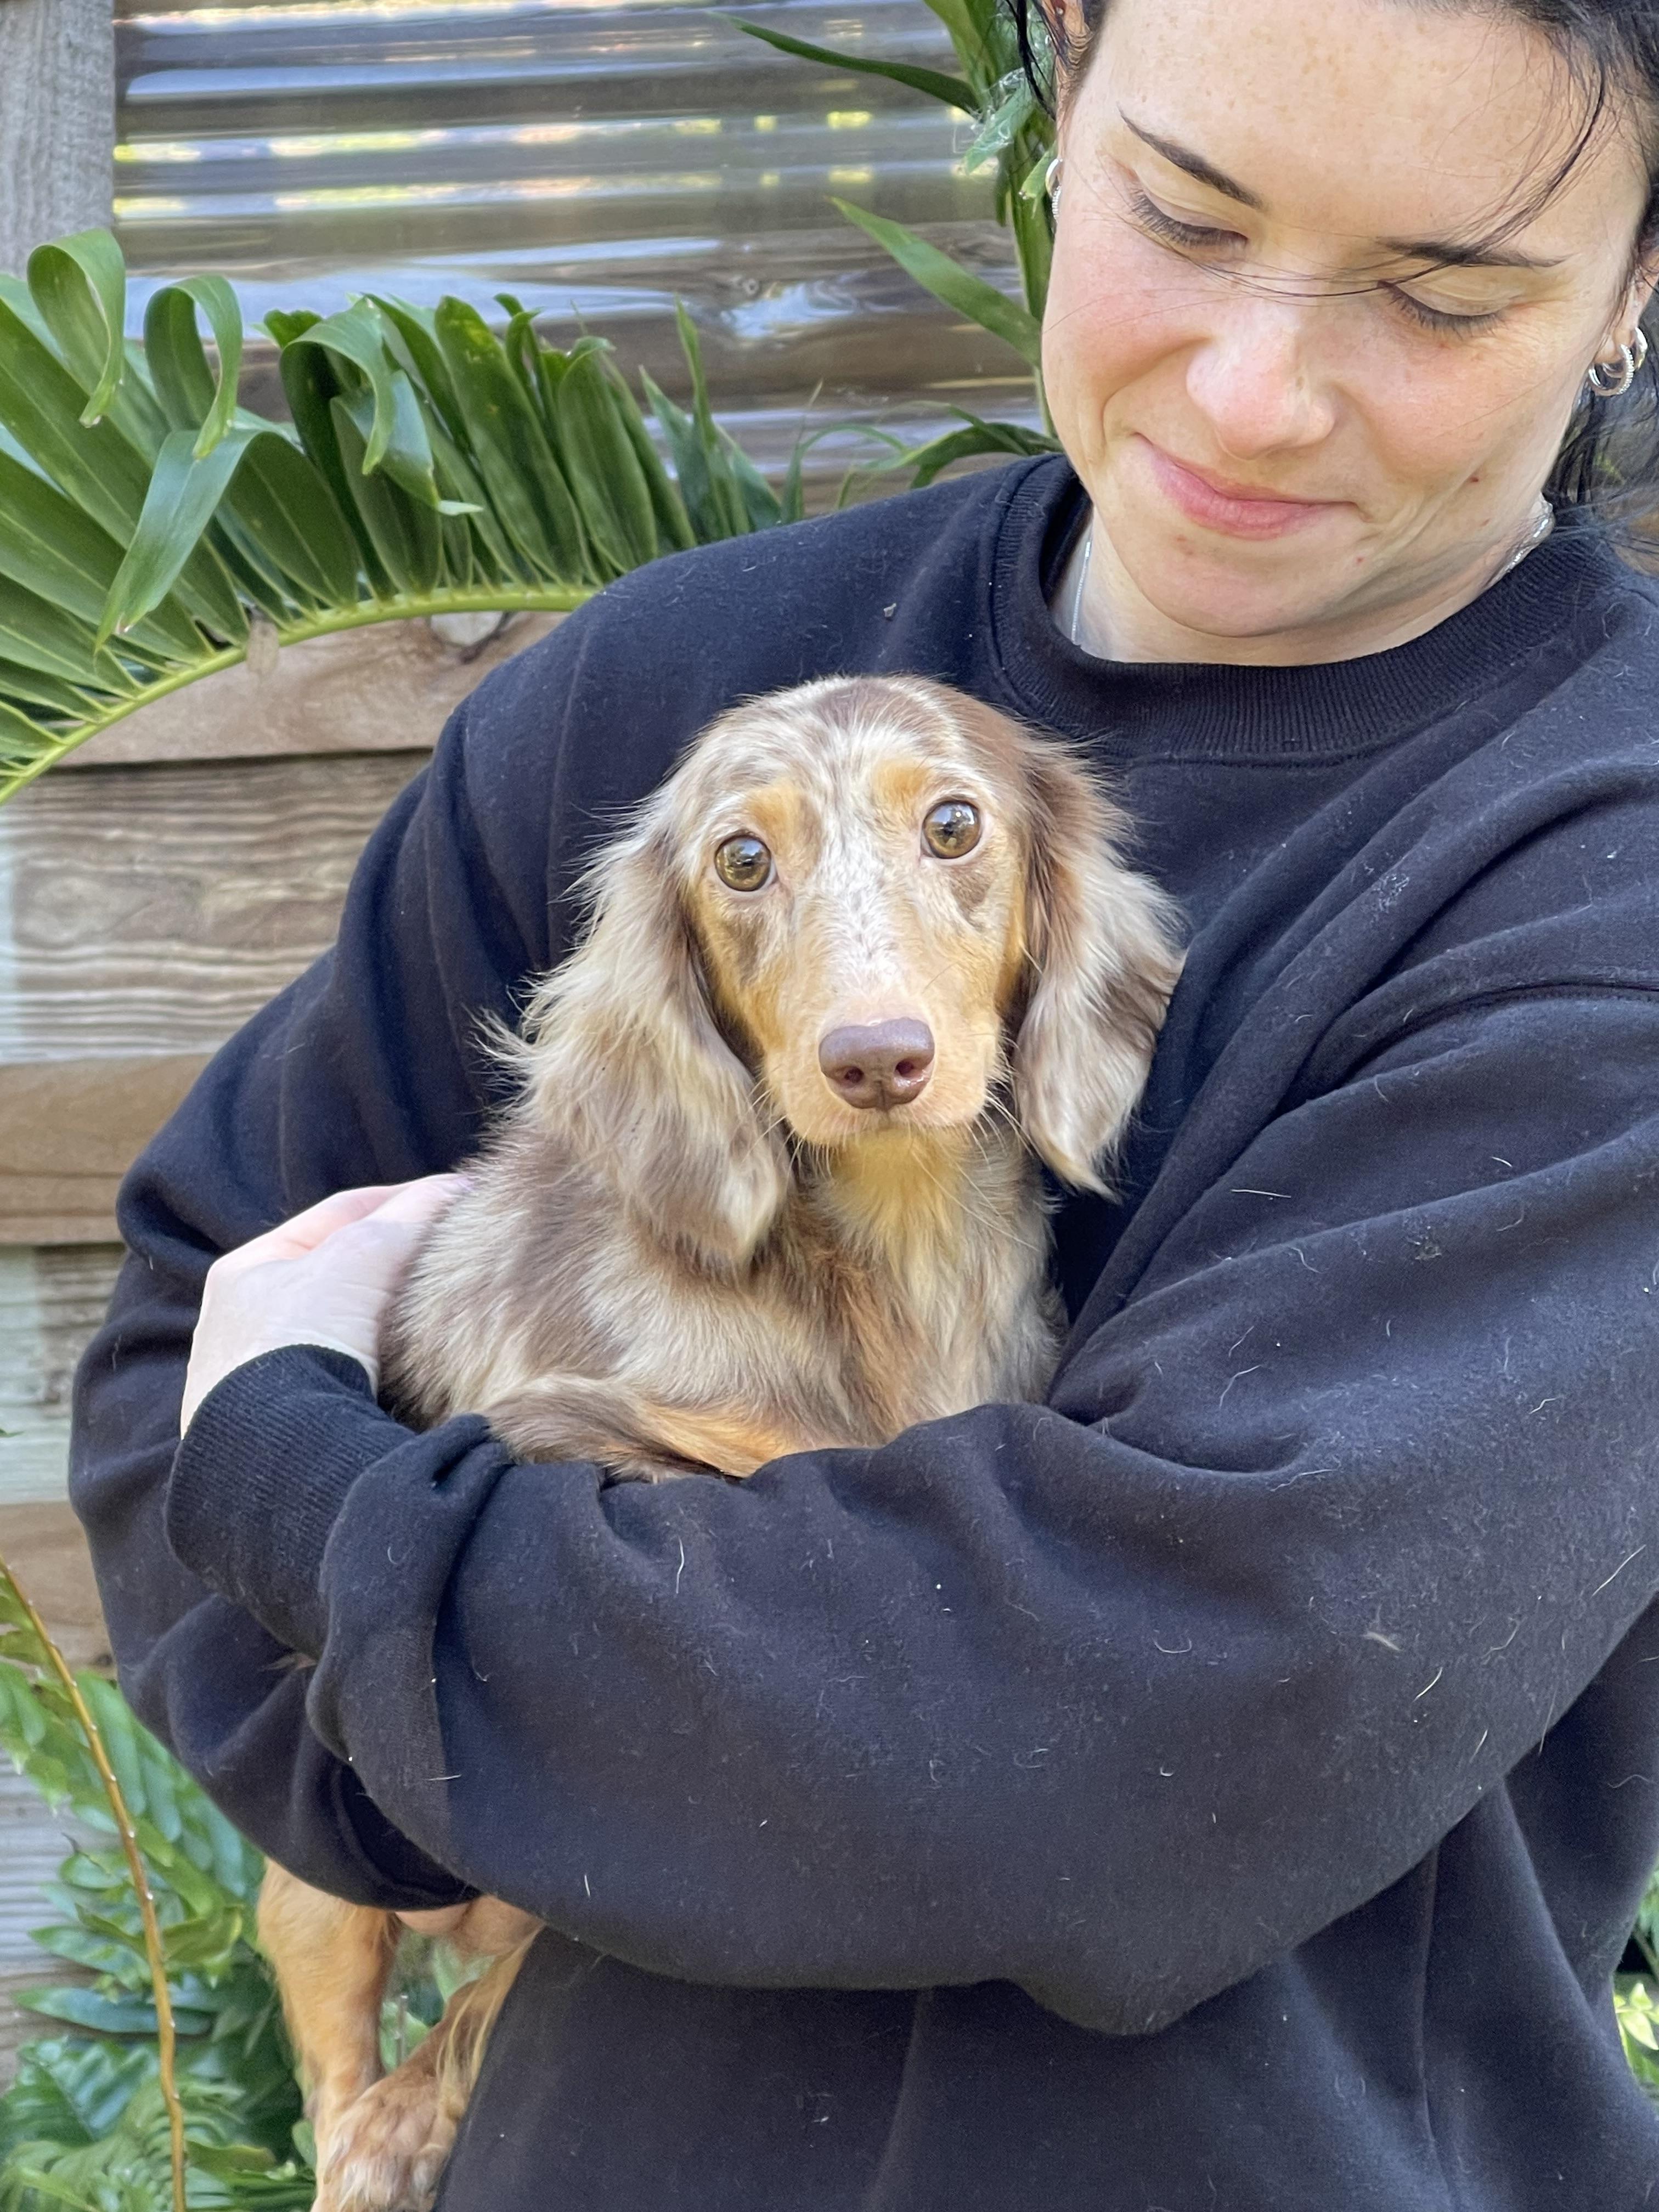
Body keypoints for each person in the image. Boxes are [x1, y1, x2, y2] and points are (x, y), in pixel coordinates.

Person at [69, 0, 1659, 2201]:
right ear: (1065, 74)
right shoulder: (657, 703)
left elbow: (1129, 1742)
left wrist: (357, 1549)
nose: (1253, 392)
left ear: (1639, 281)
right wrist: (406, 1766)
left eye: (1442, 293)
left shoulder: (1599, 875)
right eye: (1184, 217)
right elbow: (189, 1330)